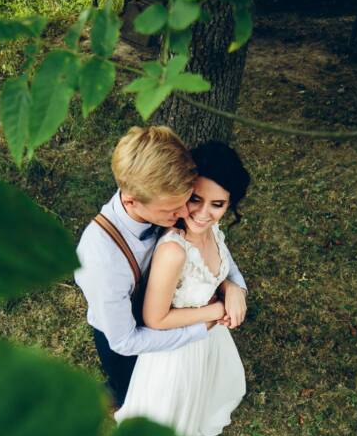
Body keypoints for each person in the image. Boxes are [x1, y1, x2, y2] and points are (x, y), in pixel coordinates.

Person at [74, 127, 248, 409]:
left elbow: (210, 251)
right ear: (131, 200)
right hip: (129, 338)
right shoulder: (100, 259)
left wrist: (233, 285)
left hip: (172, 318)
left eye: (184, 202)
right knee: (133, 395)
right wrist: (202, 325)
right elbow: (125, 340)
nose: (184, 216)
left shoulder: (163, 196)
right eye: (172, 212)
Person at [114, 141, 250, 436]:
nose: (203, 214)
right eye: (196, 200)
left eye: (218, 205)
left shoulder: (211, 231)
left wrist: (232, 288)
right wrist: (215, 312)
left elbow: (218, 268)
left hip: (208, 341)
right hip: (176, 351)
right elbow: (155, 318)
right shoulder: (174, 251)